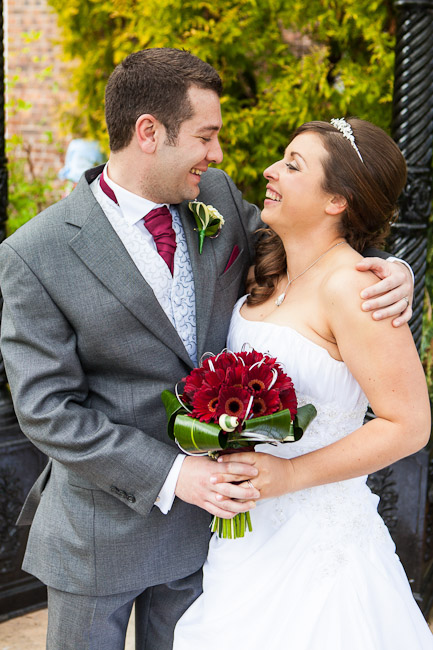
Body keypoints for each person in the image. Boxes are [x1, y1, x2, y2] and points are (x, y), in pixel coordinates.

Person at [0, 48, 413, 650]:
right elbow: (46, 410)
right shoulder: (35, 254)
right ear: (149, 133)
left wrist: (392, 271)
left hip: (216, 540)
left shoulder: (216, 199)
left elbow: (314, 252)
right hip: (99, 534)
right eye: (206, 136)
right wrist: (175, 474)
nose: (218, 154)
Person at [173, 118, 433, 649]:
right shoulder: (263, 268)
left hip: (319, 543)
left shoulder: (356, 288)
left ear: (337, 199)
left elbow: (408, 425)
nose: (270, 170)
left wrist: (288, 475)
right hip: (244, 536)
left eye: (293, 165)